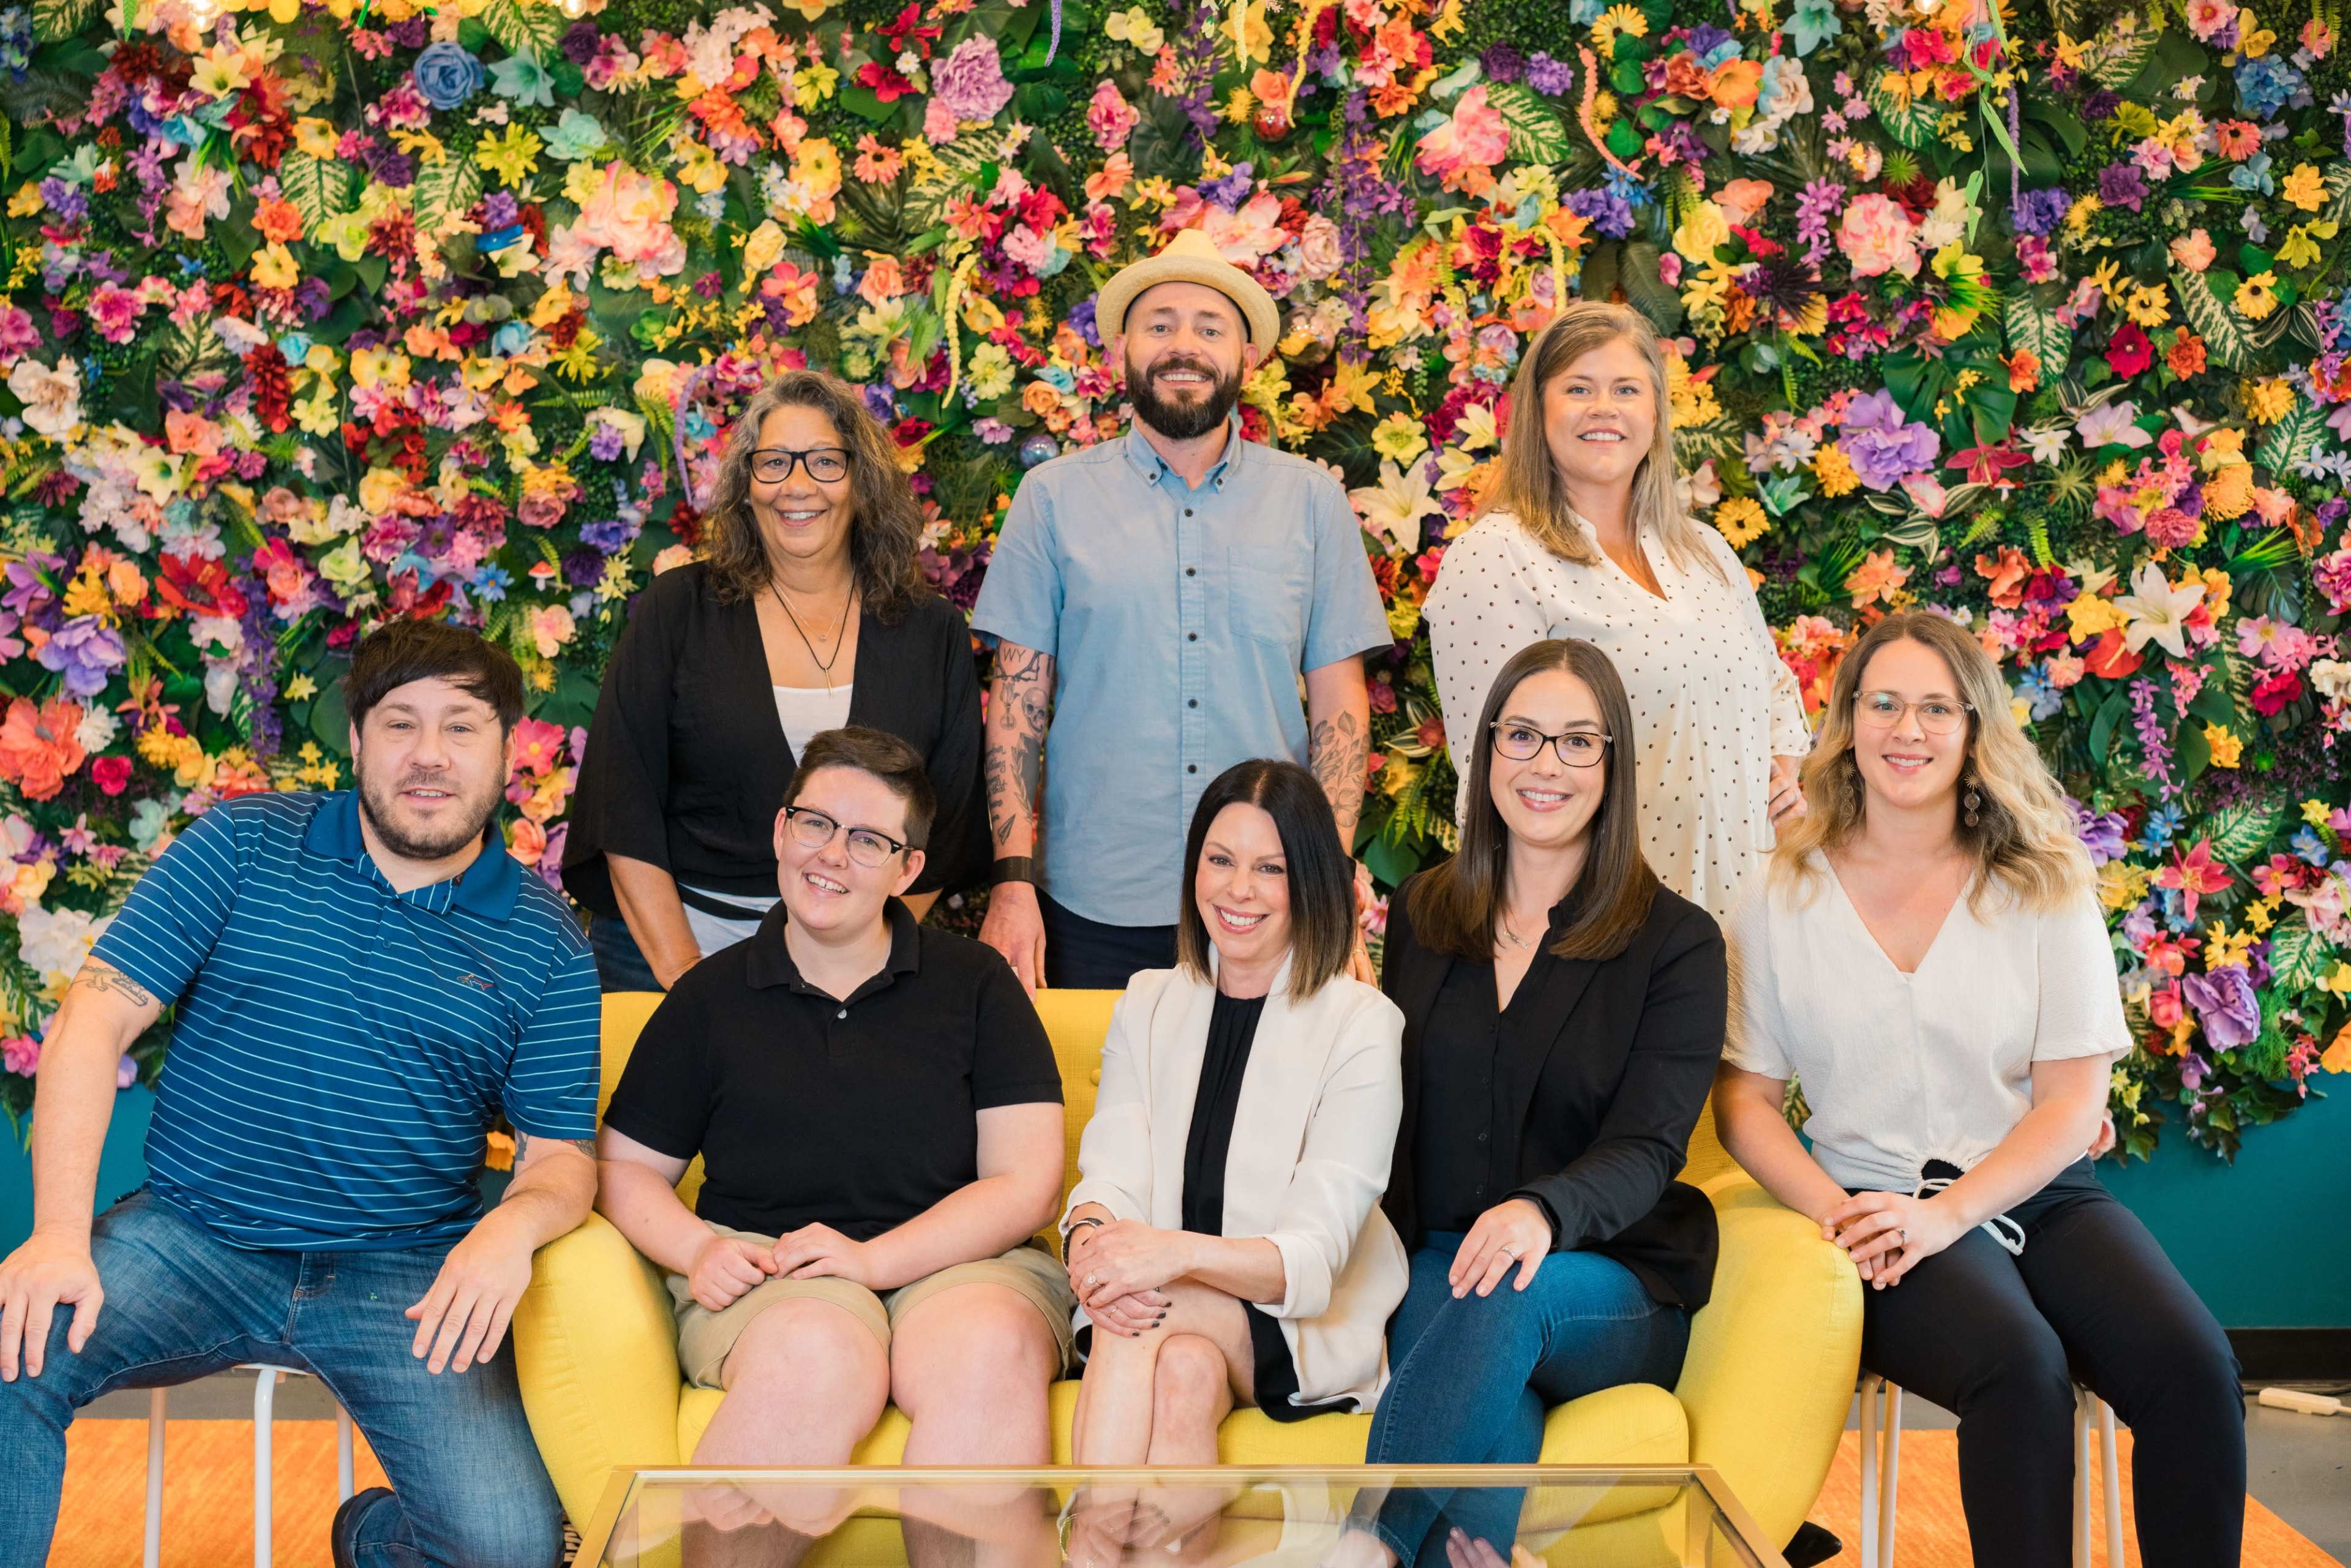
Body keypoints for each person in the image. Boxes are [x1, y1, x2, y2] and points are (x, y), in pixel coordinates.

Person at [0, 620, 601, 1568]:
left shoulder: (546, 941)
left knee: (509, 1549)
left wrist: (511, 1228)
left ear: (506, 751)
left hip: (404, 1274)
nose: (430, 755)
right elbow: (93, 1020)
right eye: (400, 724)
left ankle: (371, 1539)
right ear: (357, 741)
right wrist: (57, 1238)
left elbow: (563, 1160)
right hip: (195, 1236)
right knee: (9, 1352)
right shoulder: (243, 843)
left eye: (461, 726)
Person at [1714, 612, 2245, 1568]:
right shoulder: (1777, 893)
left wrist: (1951, 1214)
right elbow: (1745, 1100)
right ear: (1847, 719)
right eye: (1883, 703)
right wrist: (1841, 1215)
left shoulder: (2044, 878)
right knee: (2019, 1369)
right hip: (1874, 1207)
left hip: (2039, 1192)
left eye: (1935, 708)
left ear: (1973, 729)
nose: (1906, 729)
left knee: (2196, 1367)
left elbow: (2073, 1103)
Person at [594, 726, 1073, 1564]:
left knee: (988, 1347)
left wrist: (873, 1260)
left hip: (967, 1264)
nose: (832, 855)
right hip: (772, 1271)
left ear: (908, 868)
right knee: (813, 1353)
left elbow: (1026, 1183)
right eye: (815, 823)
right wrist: (697, 1248)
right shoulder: (708, 998)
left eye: (868, 839)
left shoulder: (978, 985)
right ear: (781, 830)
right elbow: (624, 1168)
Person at [1327, 638, 1724, 1568]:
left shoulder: (1677, 943)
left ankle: (1361, 1546)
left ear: (1613, 764)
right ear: (1488, 749)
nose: (1546, 764)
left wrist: (1540, 1212)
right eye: (1523, 735)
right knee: (1490, 1404)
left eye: (1578, 741)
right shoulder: (1426, 912)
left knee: (1503, 1292)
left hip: (1603, 1279)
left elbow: (1649, 1144)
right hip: (1441, 1261)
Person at [972, 228, 1393, 992]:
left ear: (1247, 357)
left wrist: (1327, 878)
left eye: (1209, 327)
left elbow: (1339, 704)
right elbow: (1016, 705)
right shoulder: (1053, 499)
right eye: (1160, 324)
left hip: (1268, 900)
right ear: (1122, 350)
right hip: (1093, 900)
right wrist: (1011, 881)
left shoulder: (1311, 501)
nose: (1183, 346)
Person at [1059, 759, 1406, 1564]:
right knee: (1181, 1371)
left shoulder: (1362, 1024)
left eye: (1269, 868)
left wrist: (1164, 1255)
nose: (1238, 889)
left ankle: (1083, 1556)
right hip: (1172, 1311)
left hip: (1296, 1320)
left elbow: (1311, 1258)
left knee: (1146, 1309)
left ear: (1309, 881)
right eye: (1220, 859)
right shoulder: (1149, 1000)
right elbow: (1109, 1172)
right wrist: (1091, 1239)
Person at [565, 370, 989, 991]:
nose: (797, 485)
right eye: (773, 463)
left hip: (858, 964)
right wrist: (688, 978)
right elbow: (620, 803)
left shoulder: (931, 629)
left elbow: (945, 824)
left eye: (825, 461)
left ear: (862, 480)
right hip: (670, 949)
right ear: (746, 486)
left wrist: (855, 958)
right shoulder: (677, 609)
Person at [1424, 301, 1810, 925]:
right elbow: (1497, 777)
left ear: (1655, 414)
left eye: (1626, 389)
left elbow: (1776, 693)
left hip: (1749, 914)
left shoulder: (1705, 550)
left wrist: (1776, 779)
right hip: (1603, 927)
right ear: (1538, 412)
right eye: (1579, 388)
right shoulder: (1499, 556)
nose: (1604, 408)